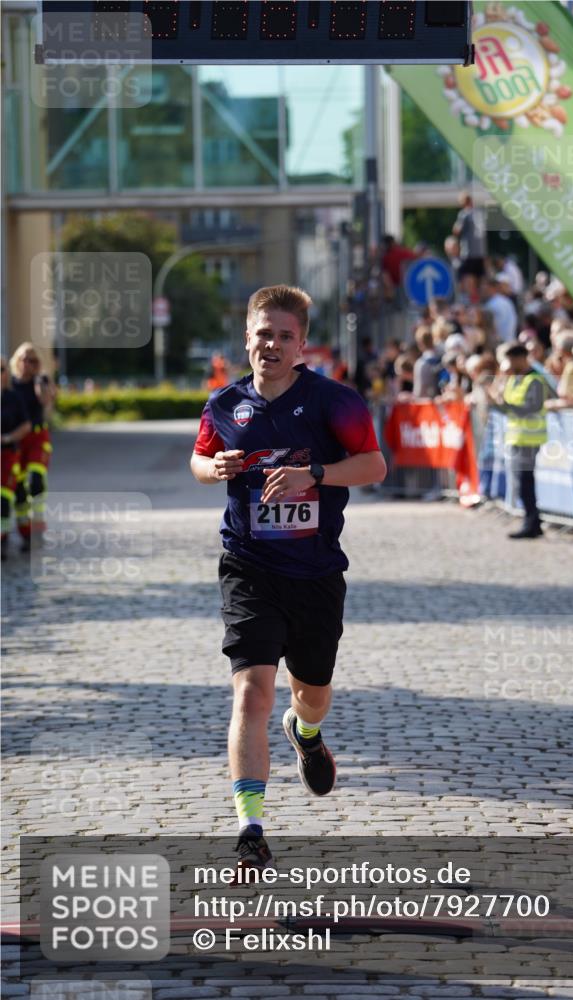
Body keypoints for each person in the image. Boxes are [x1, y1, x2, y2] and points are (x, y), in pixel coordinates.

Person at [190, 285, 387, 873]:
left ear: (301, 344)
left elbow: (374, 466)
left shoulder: (335, 401)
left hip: (316, 572)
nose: (270, 345)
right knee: (251, 689)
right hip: (247, 566)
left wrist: (315, 475)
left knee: (312, 693)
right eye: (261, 335)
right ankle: (250, 826)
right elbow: (199, 460)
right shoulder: (225, 404)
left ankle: (305, 733)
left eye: (283, 336)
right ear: (246, 339)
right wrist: (212, 467)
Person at [487, 341, 547, 539]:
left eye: (511, 360)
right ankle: (533, 522)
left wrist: (505, 405)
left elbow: (532, 408)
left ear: (521, 358)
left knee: (525, 483)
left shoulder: (535, 379)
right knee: (522, 483)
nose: (509, 364)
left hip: (529, 439)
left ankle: (531, 523)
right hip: (516, 437)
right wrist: (497, 402)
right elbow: (508, 409)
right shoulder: (514, 379)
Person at [9, 343, 56, 550]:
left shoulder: (41, 380)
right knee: (18, 490)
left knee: (37, 483)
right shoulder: (9, 384)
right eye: (24, 359)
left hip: (37, 437)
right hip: (18, 440)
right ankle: (25, 532)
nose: (27, 364)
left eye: (33, 361)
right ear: (16, 361)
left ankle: (38, 527)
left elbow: (46, 401)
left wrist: (40, 381)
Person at [1, 356, 31, 560]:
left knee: (6, 498)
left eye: (1, 369)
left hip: (9, 454)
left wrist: (8, 437)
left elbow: (26, 425)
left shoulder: (13, 397)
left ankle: (9, 539)